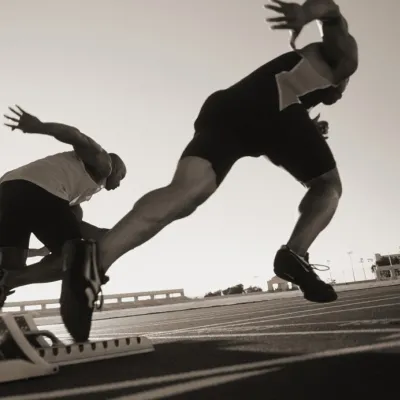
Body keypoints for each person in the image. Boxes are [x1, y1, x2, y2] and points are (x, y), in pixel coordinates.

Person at [59, 0, 358, 343]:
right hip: (273, 108)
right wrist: (308, 13)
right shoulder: (346, 59)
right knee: (328, 185)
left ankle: (93, 264)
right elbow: (333, 12)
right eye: (341, 92)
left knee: (185, 193)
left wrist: (306, 128)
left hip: (227, 107)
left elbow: (285, 105)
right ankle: (295, 254)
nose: (339, 96)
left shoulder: (303, 85)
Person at [0, 106, 127, 307]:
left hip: (7, 189)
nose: (119, 184)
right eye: (122, 177)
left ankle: (7, 280)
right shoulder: (105, 163)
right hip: (38, 190)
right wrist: (39, 126)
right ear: (117, 167)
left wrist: (104, 236)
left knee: (10, 265)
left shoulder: (73, 198)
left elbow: (79, 227)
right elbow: (77, 137)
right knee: (76, 260)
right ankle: (12, 279)